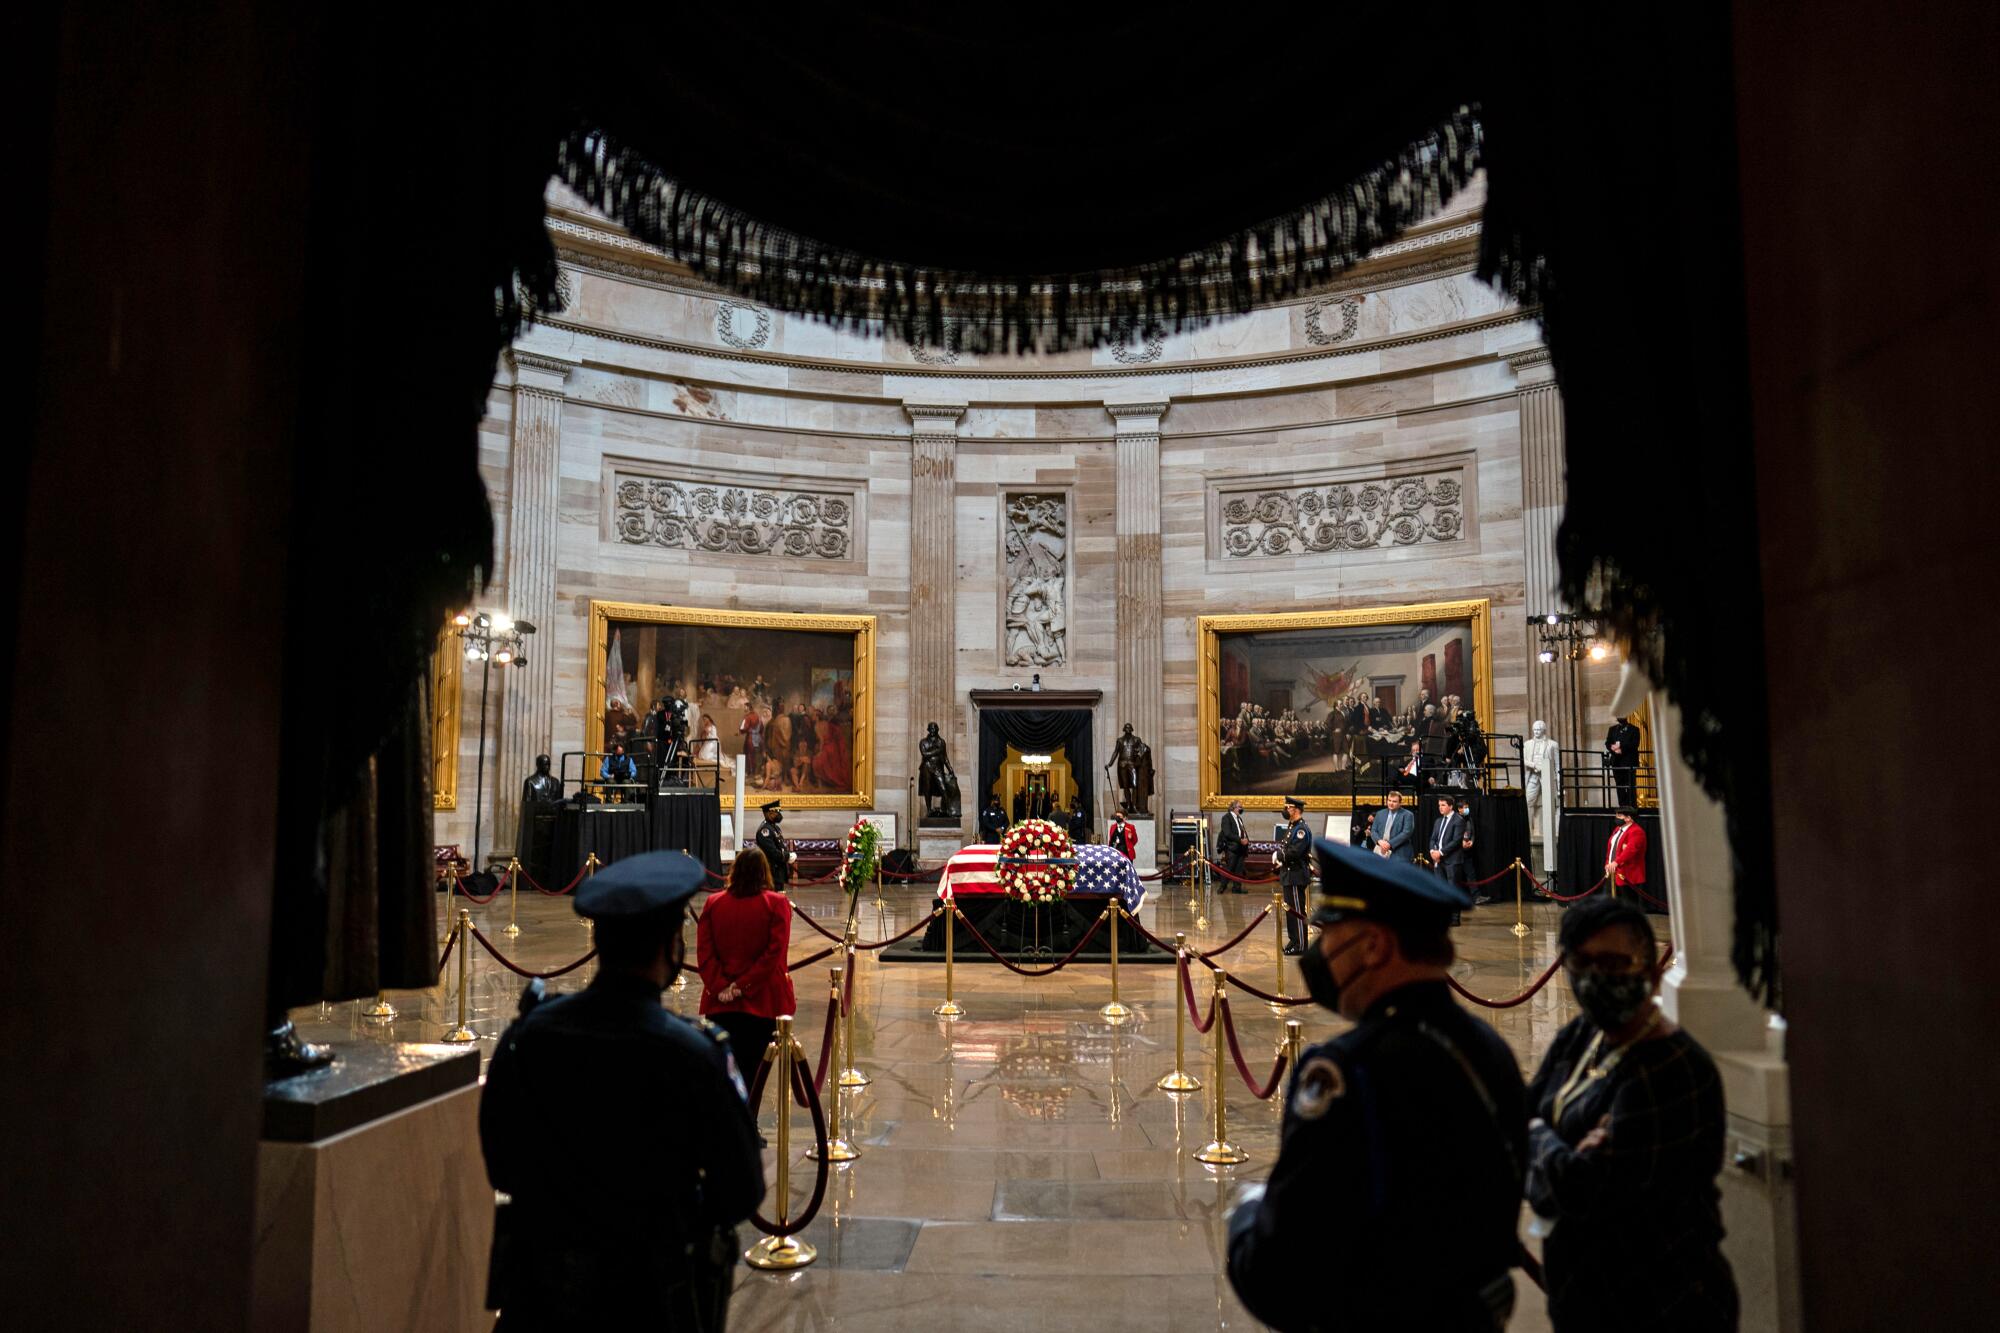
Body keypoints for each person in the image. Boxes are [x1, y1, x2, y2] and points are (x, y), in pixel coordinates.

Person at [1227, 839, 1524, 1330]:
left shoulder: (1348, 1071)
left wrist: (1244, 1217)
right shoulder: (1488, 1049)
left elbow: (1278, 1272)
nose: (1322, 953)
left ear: (1373, 946)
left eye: (1331, 935)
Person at [479, 851, 763, 1329]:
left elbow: (499, 1161)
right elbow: (741, 1190)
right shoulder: (694, 1054)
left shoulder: (528, 1037)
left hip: (541, 1294)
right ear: (670, 945)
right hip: (645, 1298)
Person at [1526, 896, 1737, 1330]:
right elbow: (1520, 1122)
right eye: (1581, 963)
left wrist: (1538, 1137)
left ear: (1651, 969)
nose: (1595, 977)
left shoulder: (1673, 1069)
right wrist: (1554, 1147)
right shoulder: (1584, 1032)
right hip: (1581, 1293)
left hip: (1664, 1299)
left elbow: (1580, 1189)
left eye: (1613, 962)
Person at [695, 847, 795, 1073]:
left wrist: (720, 986)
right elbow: (773, 954)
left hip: (719, 1002)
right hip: (762, 1000)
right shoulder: (777, 903)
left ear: (734, 871)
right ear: (764, 872)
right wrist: (741, 986)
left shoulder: (713, 903)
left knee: (724, 1074)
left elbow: (704, 953)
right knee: (753, 1075)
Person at [1276, 795, 1312, 954]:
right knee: (1290, 911)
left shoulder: (1301, 829)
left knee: (1297, 912)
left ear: (1295, 810)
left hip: (1296, 874)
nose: (1285, 809)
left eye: (1288, 807)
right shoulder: (1292, 826)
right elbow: (1285, 848)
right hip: (1289, 874)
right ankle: (1294, 940)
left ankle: (1301, 945)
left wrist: (1279, 856)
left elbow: (1294, 853)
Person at [1605, 806, 1649, 897]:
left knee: (1627, 902)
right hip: (1613, 871)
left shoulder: (1636, 831)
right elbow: (1612, 848)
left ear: (1628, 818)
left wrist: (1616, 862)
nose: (1617, 818)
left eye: (1620, 816)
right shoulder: (1617, 829)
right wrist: (1608, 863)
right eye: (1616, 815)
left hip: (1628, 874)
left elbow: (1630, 850)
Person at [754, 798, 794, 892]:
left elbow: (780, 846)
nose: (779, 815)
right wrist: (787, 856)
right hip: (771, 869)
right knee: (772, 895)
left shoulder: (775, 827)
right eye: (776, 812)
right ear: (768, 813)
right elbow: (771, 852)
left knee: (779, 894)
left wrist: (787, 854)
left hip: (778, 869)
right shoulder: (765, 830)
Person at [1368, 788, 1415, 864]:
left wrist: (1389, 844)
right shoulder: (1380, 813)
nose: (1391, 803)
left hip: (1400, 853)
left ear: (1400, 803)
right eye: (1389, 800)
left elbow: (1406, 832)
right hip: (1380, 851)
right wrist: (1379, 841)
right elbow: (1373, 830)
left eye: (1394, 801)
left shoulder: (1407, 815)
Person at [1604, 714, 1642, 806]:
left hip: (1629, 762)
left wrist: (1622, 749)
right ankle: (1622, 806)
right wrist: (1612, 747)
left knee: (1630, 785)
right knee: (1619, 786)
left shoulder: (1634, 729)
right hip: (1616, 762)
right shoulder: (1612, 729)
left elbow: (1634, 744)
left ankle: (1632, 806)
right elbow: (1608, 742)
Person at [1215, 799, 1249, 893]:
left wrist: (1246, 840)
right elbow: (1227, 833)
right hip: (1232, 848)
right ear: (1233, 808)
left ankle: (1237, 888)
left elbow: (1242, 831)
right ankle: (1222, 887)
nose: (1241, 809)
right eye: (1240, 807)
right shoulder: (1226, 818)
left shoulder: (1239, 818)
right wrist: (1240, 840)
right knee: (1229, 869)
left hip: (1241, 848)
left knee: (1239, 869)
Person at [738, 706, 764, 784]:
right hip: (759, 739)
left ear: (748, 708)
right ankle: (757, 773)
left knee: (749, 755)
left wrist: (740, 732)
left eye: (745, 707)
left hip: (750, 739)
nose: (744, 709)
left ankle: (750, 773)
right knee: (757, 756)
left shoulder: (747, 717)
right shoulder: (758, 717)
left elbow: (743, 728)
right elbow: (762, 728)